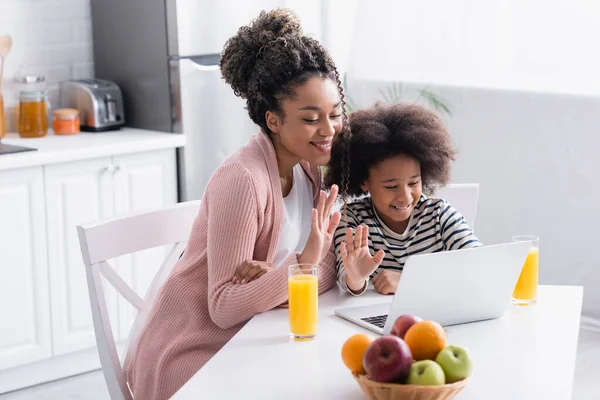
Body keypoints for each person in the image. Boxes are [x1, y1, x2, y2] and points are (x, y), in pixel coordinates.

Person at [125, 9, 350, 399]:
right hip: (196, 352)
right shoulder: (242, 179)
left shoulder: (310, 169)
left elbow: (330, 267)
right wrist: (297, 271)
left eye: (334, 114)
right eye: (311, 118)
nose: (328, 130)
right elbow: (224, 308)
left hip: (255, 337)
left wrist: (281, 277)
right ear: (273, 121)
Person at [324, 103, 482, 296]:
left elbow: (478, 263)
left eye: (414, 183)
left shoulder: (438, 215)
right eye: (391, 186)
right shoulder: (352, 219)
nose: (405, 197)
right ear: (365, 182)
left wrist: (408, 279)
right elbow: (348, 280)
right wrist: (356, 279)